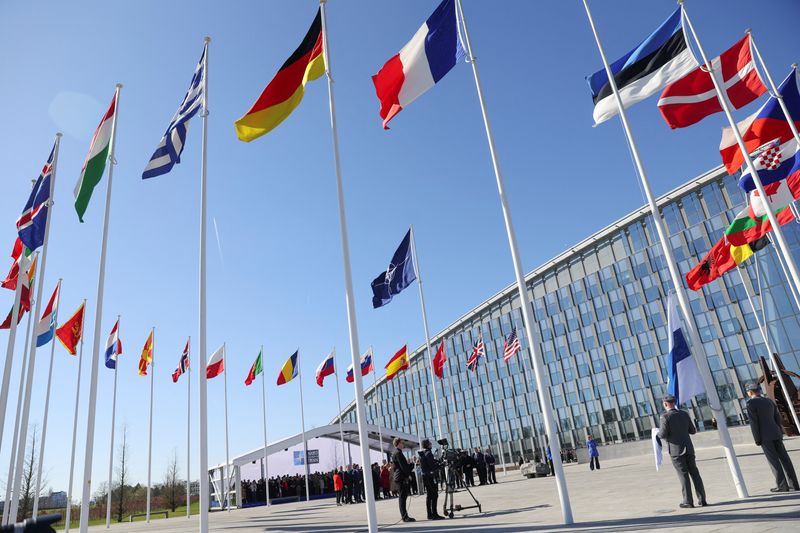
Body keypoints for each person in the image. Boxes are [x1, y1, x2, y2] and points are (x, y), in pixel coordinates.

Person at [746, 383, 799, 492]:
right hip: (776, 433)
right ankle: (794, 484)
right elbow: (777, 418)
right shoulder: (769, 401)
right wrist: (780, 432)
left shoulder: (751, 403)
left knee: (773, 461)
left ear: (750, 392)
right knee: (785, 459)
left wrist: (757, 438)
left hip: (765, 437)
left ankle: (782, 486)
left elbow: (754, 423)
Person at [658, 394, 707, 508]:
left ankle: (688, 501)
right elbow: (693, 431)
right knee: (695, 473)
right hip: (689, 448)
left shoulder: (664, 417)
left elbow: (663, 434)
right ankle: (702, 499)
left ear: (665, 404)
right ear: (674, 403)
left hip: (676, 451)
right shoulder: (684, 414)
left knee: (683, 475)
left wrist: (657, 433)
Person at [391, 437, 415, 522]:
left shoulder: (397, 452)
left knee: (403, 497)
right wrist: (412, 464)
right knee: (402, 497)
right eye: (402, 442)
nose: (403, 444)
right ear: (398, 443)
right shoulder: (398, 453)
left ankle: (405, 516)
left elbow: (403, 467)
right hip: (400, 478)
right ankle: (405, 517)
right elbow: (404, 467)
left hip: (400, 477)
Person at [419, 439, 444, 520]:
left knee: (429, 496)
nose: (431, 444)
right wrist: (440, 466)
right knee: (434, 495)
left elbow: (431, 463)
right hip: (430, 477)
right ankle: (434, 514)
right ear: (427, 445)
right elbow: (432, 466)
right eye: (430, 443)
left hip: (426, 477)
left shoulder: (425, 453)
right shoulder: (429, 453)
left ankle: (430, 514)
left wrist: (438, 463)